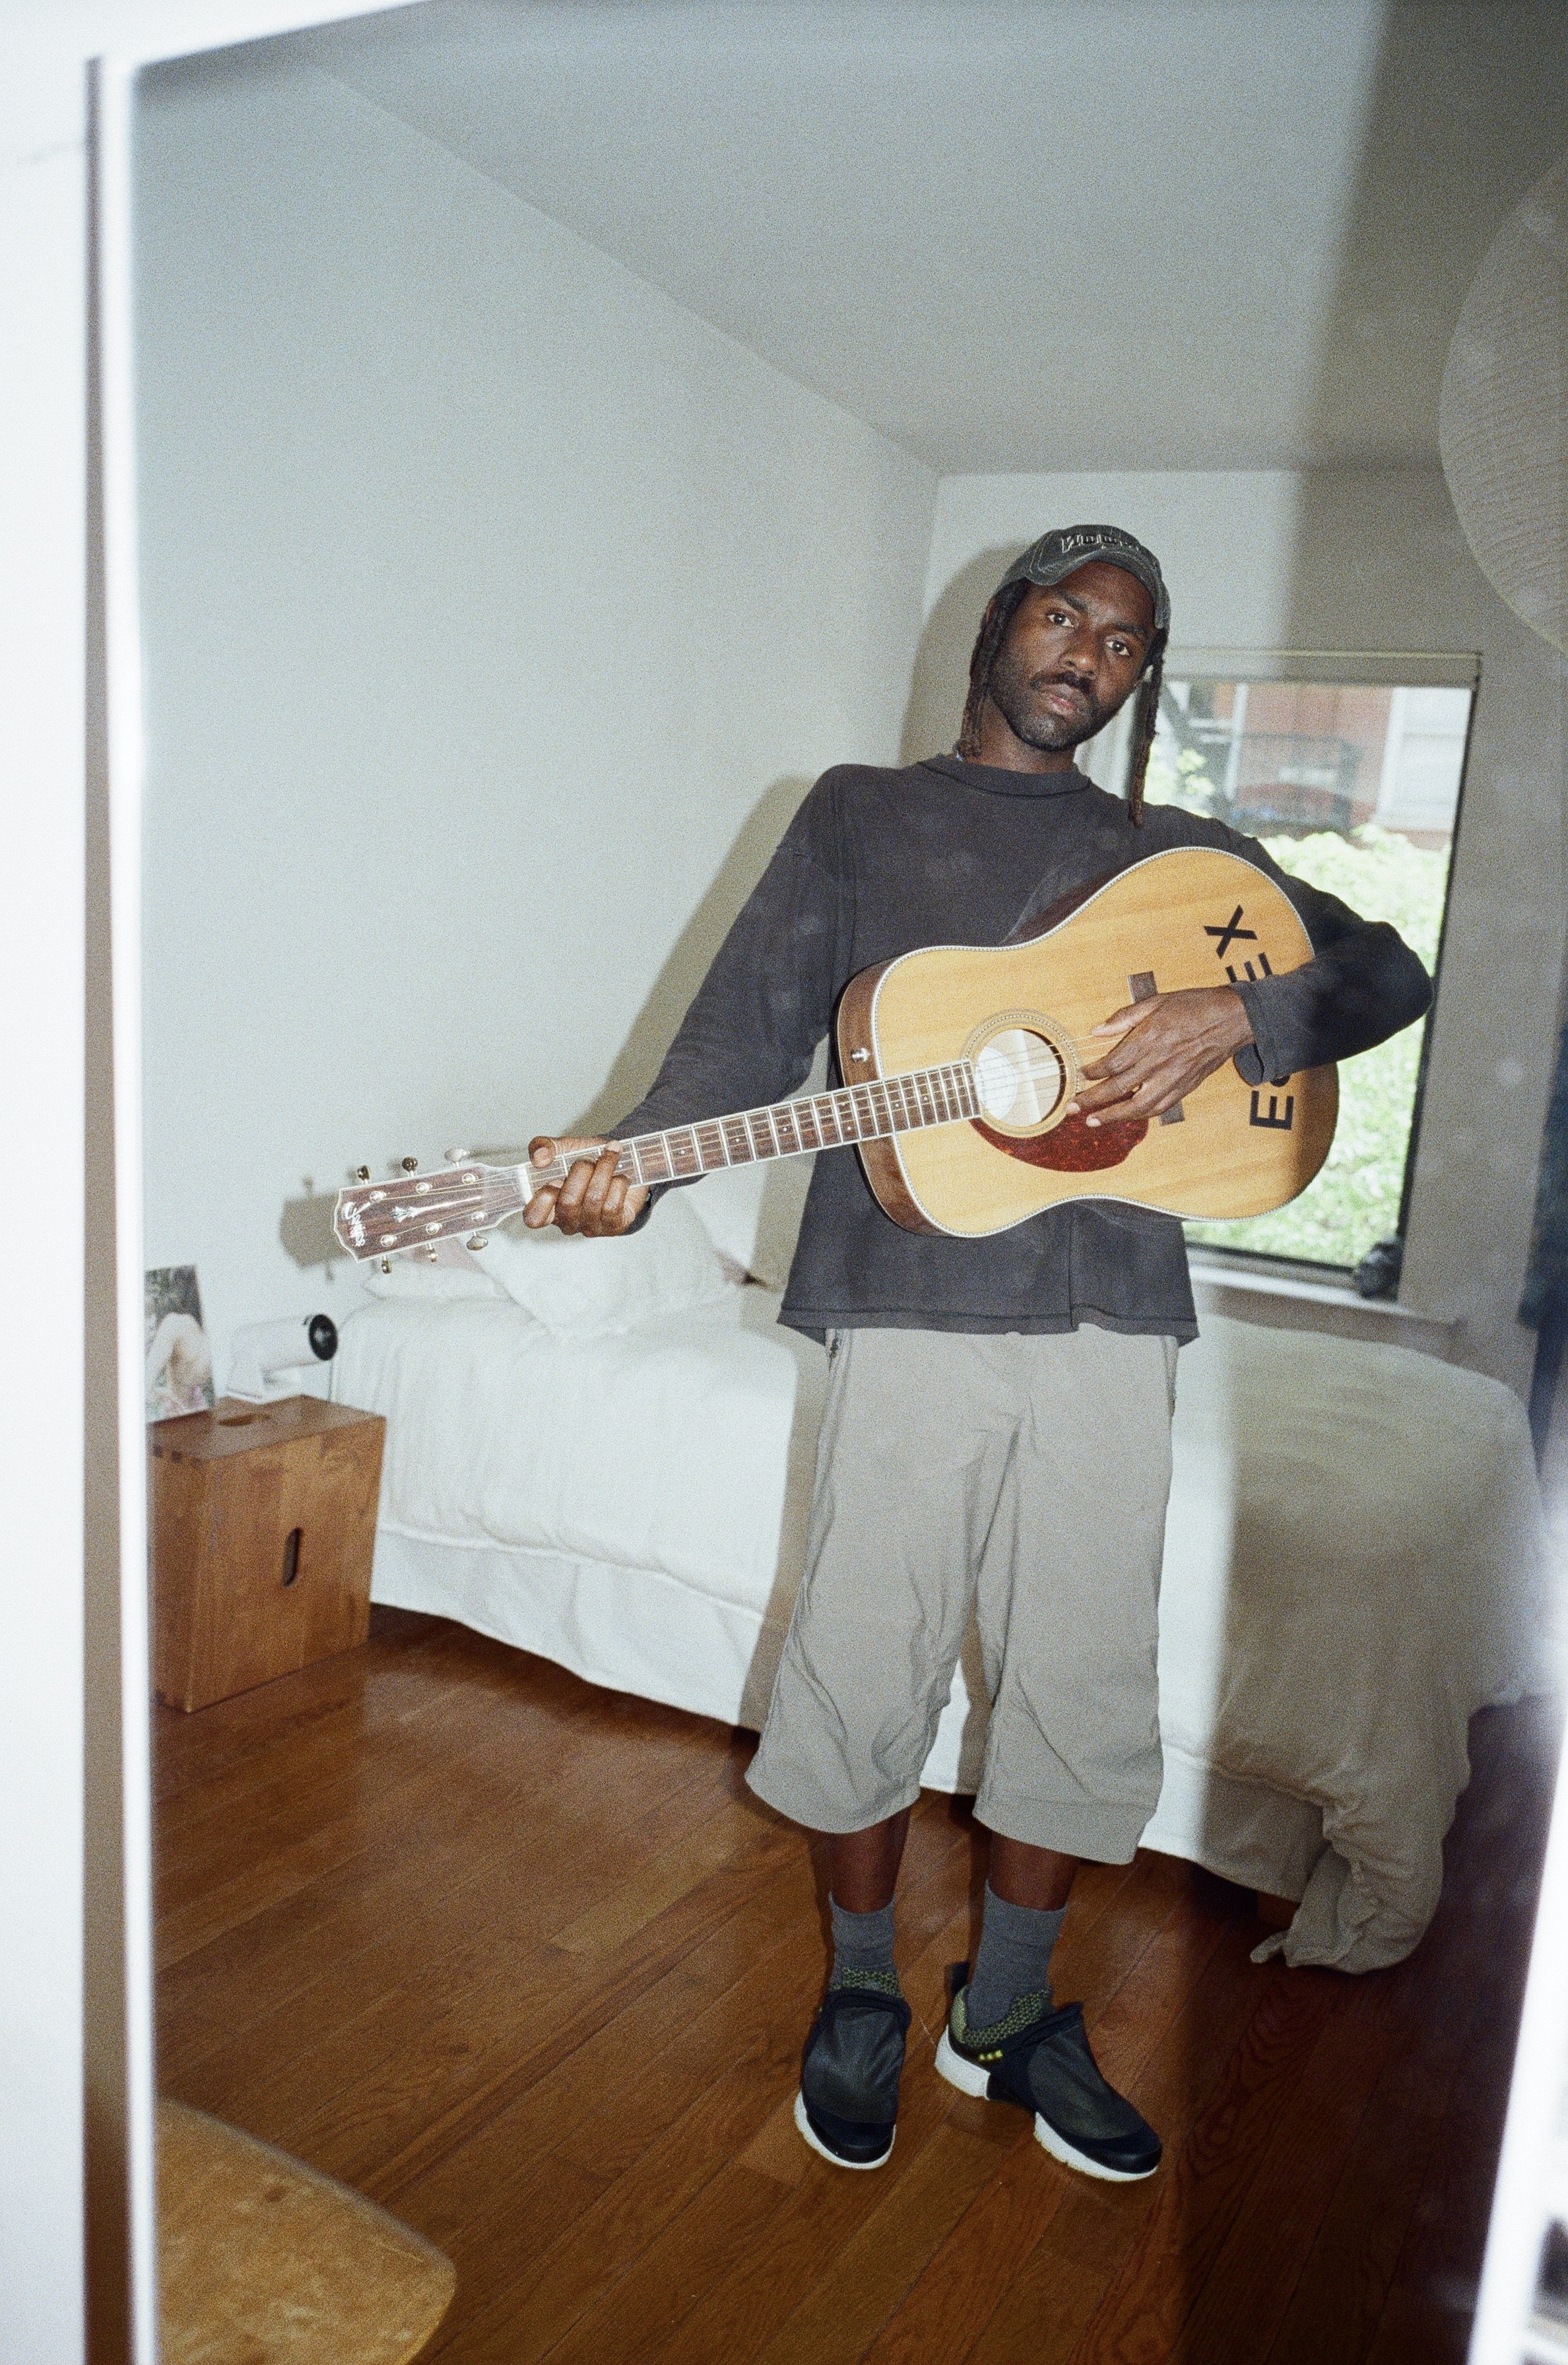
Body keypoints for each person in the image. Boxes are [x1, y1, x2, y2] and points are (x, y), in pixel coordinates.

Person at [523, 525, 1432, 2180]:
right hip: (908, 1299)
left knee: (1083, 1682)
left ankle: (1006, 2017)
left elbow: (1387, 965)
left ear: (1139, 680)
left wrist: (1234, 1017)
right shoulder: (861, 814)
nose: (1087, 650)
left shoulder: (1183, 857)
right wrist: (635, 1174)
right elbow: (740, 1034)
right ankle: (864, 1992)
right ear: (999, 623)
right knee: (868, 1659)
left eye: (1126, 641)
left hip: (1114, 1318)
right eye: (1064, 612)